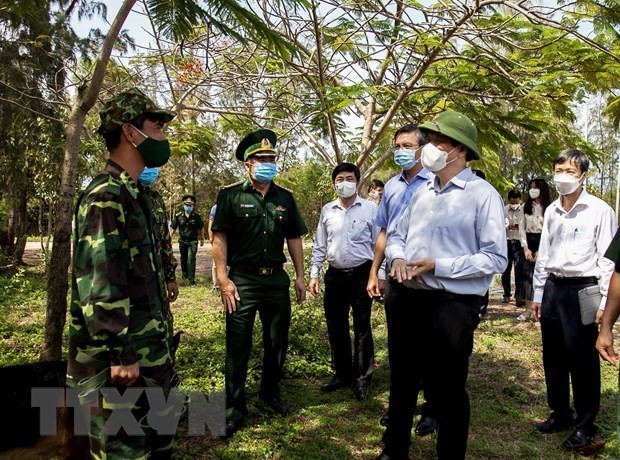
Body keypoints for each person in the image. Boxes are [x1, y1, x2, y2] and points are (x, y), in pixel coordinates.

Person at [379, 110, 507, 460]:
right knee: (402, 380)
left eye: (438, 143)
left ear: (460, 150)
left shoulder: (482, 196)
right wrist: (399, 259)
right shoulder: (421, 193)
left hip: (452, 305)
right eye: (429, 142)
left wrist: (440, 265)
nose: (428, 149)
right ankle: (395, 449)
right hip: (407, 298)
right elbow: (396, 235)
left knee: (447, 389)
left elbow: (495, 258)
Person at [67, 88, 177, 458]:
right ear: (130, 132)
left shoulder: (138, 196)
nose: (163, 135)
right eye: (157, 126)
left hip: (149, 358)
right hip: (122, 366)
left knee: (158, 443)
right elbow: (99, 286)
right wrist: (120, 354)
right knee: (124, 451)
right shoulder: (105, 196)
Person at [211, 129, 308, 439]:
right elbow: (219, 237)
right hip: (242, 280)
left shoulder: (286, 198)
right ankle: (233, 409)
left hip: (276, 281)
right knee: (237, 345)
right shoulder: (230, 195)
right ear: (247, 164)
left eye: (272, 159)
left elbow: (294, 238)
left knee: (276, 342)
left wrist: (301, 276)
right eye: (261, 159)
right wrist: (223, 278)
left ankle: (270, 392)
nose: (268, 163)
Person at [532, 148, 616, 452]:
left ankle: (585, 424)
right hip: (554, 288)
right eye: (559, 171)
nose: (562, 177)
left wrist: (606, 303)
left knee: (582, 359)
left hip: (584, 289)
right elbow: (544, 253)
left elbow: (608, 261)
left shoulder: (599, 210)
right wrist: (538, 293)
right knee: (553, 356)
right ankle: (560, 413)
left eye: (569, 171)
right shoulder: (552, 210)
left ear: (583, 175)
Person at [365, 123, 437, 434]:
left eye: (408, 146)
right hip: (395, 278)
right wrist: (375, 272)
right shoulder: (392, 187)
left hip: (426, 278)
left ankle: (431, 410)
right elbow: (384, 232)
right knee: (399, 347)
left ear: (423, 149)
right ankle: (400, 410)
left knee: (431, 347)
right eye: (397, 147)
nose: (401, 152)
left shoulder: (435, 184)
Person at [309, 162, 379, 401]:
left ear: (357, 181)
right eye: (339, 179)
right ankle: (342, 374)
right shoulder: (327, 210)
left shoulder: (370, 209)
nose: (344, 183)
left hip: (362, 274)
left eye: (349, 178)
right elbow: (320, 244)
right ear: (333, 183)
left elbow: (378, 245)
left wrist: (377, 276)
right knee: (336, 326)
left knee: (361, 328)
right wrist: (314, 273)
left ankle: (362, 379)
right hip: (335, 275)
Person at [517, 178, 552, 322]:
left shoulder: (549, 208)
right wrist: (525, 248)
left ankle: (541, 311)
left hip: (544, 243)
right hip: (528, 243)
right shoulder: (525, 207)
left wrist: (541, 250)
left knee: (543, 277)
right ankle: (528, 309)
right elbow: (521, 228)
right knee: (526, 277)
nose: (533, 190)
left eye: (535, 187)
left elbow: (549, 230)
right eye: (530, 187)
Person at [170, 194, 205, 284]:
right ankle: (184, 276)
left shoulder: (197, 216)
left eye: (190, 205)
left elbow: (201, 227)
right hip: (182, 241)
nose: (188, 207)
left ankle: (191, 279)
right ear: (184, 205)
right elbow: (173, 228)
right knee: (184, 259)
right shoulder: (179, 216)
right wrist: (169, 238)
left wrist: (202, 238)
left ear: (193, 206)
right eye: (187, 205)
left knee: (191, 259)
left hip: (193, 241)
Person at [502, 189, 525, 305]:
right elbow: (499, 224)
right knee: (505, 270)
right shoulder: (503, 210)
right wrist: (507, 226)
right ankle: (506, 294)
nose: (515, 205)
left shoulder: (523, 210)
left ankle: (519, 296)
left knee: (519, 270)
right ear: (508, 200)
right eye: (512, 202)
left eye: (516, 202)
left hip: (519, 242)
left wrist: (519, 226)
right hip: (506, 242)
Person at [208, 203, 219, 290]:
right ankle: (216, 285)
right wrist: (211, 237)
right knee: (216, 263)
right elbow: (211, 223)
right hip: (217, 238)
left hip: (232, 239)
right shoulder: (215, 208)